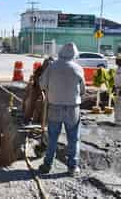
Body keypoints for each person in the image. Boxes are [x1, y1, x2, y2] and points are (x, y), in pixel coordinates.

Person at [38, 43, 85, 176]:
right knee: (73, 139)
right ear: (74, 54)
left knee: (52, 138)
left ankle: (47, 165)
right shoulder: (78, 68)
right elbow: (82, 90)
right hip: (72, 109)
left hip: (54, 108)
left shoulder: (52, 67)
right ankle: (72, 167)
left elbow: (42, 84)